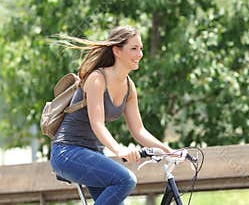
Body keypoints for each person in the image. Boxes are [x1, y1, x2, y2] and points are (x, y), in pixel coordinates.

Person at [50, 25, 173, 205]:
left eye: (141, 49)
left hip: (93, 154)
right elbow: (97, 124)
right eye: (133, 48)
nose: (140, 54)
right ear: (117, 50)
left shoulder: (129, 87)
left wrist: (169, 151)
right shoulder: (97, 79)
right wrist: (119, 150)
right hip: (67, 152)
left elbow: (139, 130)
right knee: (126, 180)